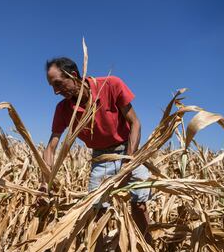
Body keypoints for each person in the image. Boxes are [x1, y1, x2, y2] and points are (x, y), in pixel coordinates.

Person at [42, 57, 151, 241]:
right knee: (97, 213)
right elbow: (51, 147)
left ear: (74, 75)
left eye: (58, 84)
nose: (56, 91)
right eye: (52, 86)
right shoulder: (62, 109)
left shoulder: (111, 85)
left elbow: (135, 123)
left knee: (139, 206)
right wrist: (46, 182)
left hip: (128, 152)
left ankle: (146, 248)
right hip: (100, 160)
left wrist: (128, 163)